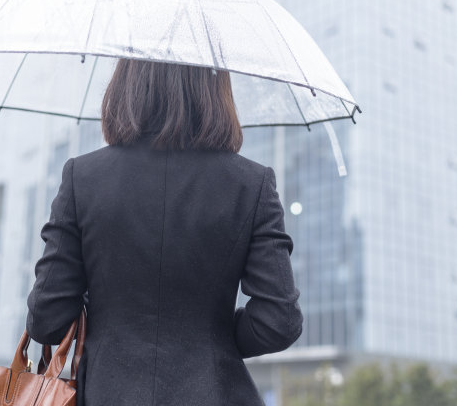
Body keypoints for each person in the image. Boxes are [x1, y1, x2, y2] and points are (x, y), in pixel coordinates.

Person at [25, 58, 304, 406]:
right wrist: (211, 339)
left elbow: (46, 321)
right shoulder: (252, 184)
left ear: (127, 83)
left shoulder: (82, 178)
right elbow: (280, 321)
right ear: (216, 87)